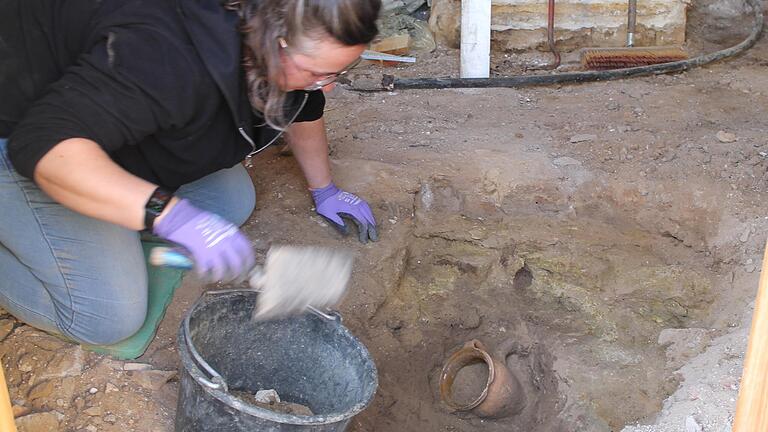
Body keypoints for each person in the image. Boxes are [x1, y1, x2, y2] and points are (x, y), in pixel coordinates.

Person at [0, 0, 381, 345]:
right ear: (276, 41)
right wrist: (169, 215)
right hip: (24, 133)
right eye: (317, 73)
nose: (327, 86)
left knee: (230, 200)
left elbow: (303, 105)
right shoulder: (162, 57)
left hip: (91, 107)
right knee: (107, 317)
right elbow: (41, 145)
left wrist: (325, 189)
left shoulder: (265, 23)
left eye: (339, 72)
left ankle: (100, 215)